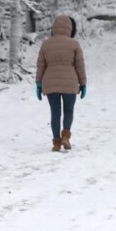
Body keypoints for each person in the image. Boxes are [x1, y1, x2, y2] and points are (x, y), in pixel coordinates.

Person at [36, 14, 87, 152]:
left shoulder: (46, 44)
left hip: (50, 83)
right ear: (70, 28)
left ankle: (56, 143)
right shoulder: (74, 44)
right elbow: (80, 66)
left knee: (55, 113)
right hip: (70, 83)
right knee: (68, 111)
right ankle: (66, 135)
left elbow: (41, 65)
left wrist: (38, 84)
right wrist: (83, 84)